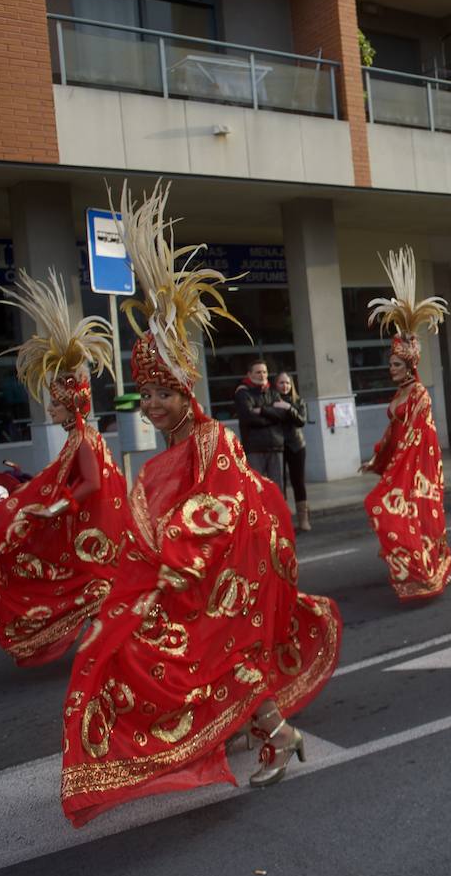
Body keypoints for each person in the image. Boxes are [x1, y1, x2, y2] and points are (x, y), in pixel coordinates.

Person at [56, 183, 341, 827]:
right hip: (183, 580)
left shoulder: (215, 441)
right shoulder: (167, 453)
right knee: (129, 654)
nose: (153, 405)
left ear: (188, 392)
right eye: (145, 394)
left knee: (201, 660)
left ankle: (278, 734)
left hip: (217, 580)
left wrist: (178, 556)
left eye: (163, 393)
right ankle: (263, 730)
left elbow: (228, 505)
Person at [0, 268, 128, 665]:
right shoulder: (79, 437)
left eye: (54, 404)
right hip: (88, 530)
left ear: (70, 404)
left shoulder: (85, 439)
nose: (50, 410)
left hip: (92, 532)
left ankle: (118, 642)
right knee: (92, 591)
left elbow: (89, 483)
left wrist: (51, 508)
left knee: (91, 588)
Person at [360, 246, 451, 601]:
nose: (392, 370)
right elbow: (393, 434)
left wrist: (396, 475)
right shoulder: (399, 396)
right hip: (400, 467)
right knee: (397, 511)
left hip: (417, 470)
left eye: (397, 366)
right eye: (390, 365)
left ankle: (425, 572)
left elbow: (418, 439)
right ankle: (430, 560)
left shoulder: (419, 395)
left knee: (387, 506)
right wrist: (377, 459)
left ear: (411, 367)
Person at [233, 359, 286, 491]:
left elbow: (282, 414)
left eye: (264, 372)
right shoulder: (242, 393)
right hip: (255, 448)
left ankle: (278, 512)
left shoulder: (273, 392)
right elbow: (248, 418)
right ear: (249, 374)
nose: (262, 375)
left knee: (277, 489)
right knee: (257, 489)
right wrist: (272, 417)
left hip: (275, 446)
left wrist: (262, 411)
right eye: (258, 372)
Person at [275, 371, 311, 531]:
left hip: (297, 445)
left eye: (287, 383)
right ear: (276, 384)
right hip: (278, 446)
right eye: (281, 383)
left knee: (298, 482)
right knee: (279, 485)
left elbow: (301, 421)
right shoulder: (272, 401)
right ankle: (284, 520)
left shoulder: (299, 401)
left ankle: (303, 519)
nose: (285, 386)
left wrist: (289, 407)